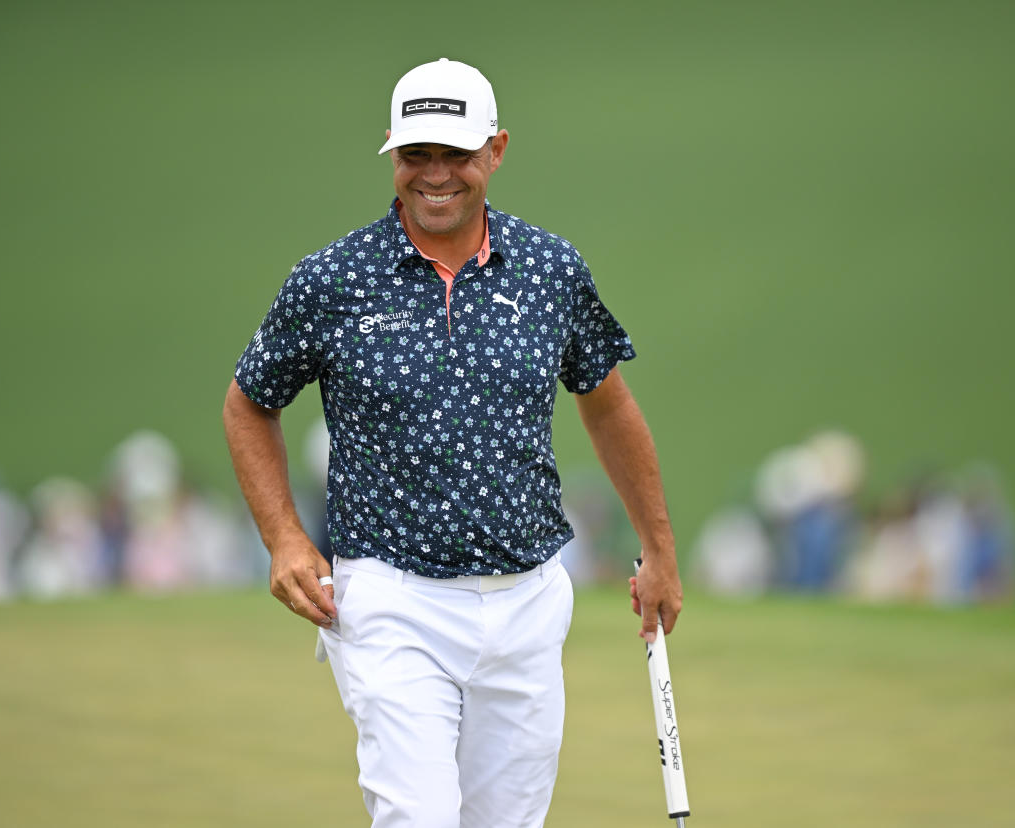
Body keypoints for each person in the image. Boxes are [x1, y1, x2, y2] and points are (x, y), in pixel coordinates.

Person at [221, 58, 682, 828]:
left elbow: (607, 405)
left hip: (530, 600)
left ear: (496, 151)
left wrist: (659, 549)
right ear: (393, 156)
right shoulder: (332, 280)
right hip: (391, 602)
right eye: (416, 156)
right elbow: (249, 404)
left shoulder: (550, 271)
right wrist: (284, 540)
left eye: (456, 155)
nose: (435, 175)